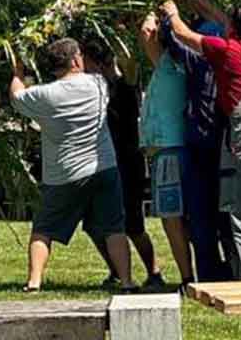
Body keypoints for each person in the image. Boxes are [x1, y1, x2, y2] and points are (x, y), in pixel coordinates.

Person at [161, 0, 241, 281]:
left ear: (230, 28)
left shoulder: (225, 49)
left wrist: (172, 10)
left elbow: (182, 33)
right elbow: (227, 21)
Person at [10, 38, 135, 293]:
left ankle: (34, 282)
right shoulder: (97, 85)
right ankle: (127, 281)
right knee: (114, 228)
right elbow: (114, 74)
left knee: (43, 229)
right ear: (77, 60)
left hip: (62, 174)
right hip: (103, 169)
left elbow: (16, 95)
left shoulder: (43, 95)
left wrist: (17, 71)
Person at [82, 36, 166, 291]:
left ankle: (154, 273)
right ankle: (116, 271)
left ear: (98, 63)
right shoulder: (91, 92)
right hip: (99, 164)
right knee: (94, 225)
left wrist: (120, 33)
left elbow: (129, 63)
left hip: (127, 164)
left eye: (85, 62)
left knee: (133, 225)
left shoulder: (124, 87)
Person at [158, 1, 233, 283]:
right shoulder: (231, 58)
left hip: (200, 140)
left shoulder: (198, 60)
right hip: (226, 143)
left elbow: (173, 41)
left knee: (200, 214)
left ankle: (209, 272)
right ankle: (233, 268)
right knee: (225, 213)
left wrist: (168, 14)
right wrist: (201, 3)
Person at [139, 13, 196, 286]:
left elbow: (145, 32)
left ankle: (187, 276)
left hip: (167, 151)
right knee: (186, 217)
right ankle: (194, 272)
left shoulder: (168, 67)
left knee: (172, 219)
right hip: (181, 148)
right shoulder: (190, 65)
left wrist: (154, 5)